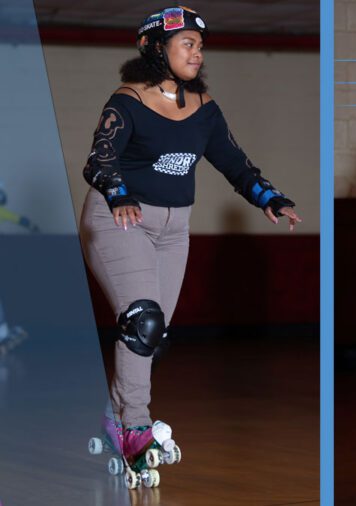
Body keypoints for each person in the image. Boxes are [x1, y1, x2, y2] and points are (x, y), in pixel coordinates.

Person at [79, 5, 302, 489]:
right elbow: (100, 159)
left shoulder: (204, 107)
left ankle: (115, 415)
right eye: (187, 43)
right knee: (143, 321)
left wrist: (269, 197)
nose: (197, 52)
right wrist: (118, 194)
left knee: (152, 339)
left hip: (173, 226)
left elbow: (235, 162)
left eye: (200, 45)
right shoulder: (127, 99)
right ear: (156, 48)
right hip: (120, 218)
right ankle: (135, 429)